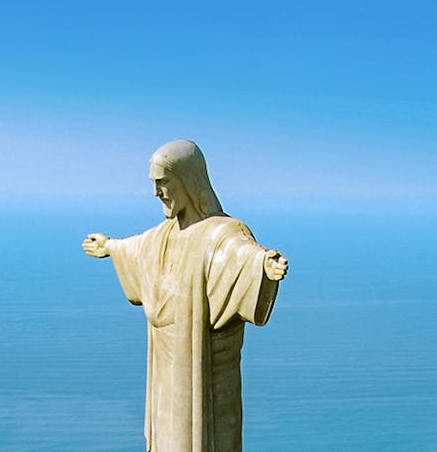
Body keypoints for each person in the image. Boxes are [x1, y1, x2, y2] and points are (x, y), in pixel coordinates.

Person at [82, 139, 288, 452]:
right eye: (154, 183)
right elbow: (138, 248)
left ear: (188, 181)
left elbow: (239, 255)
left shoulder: (222, 232)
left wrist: (264, 264)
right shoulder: (164, 235)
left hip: (203, 365)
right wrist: (110, 246)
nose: (157, 193)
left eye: (163, 182)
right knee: (167, 435)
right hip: (167, 363)